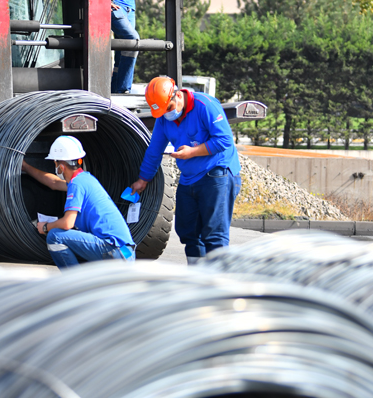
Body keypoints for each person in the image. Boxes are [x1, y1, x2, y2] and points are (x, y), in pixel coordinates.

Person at [129, 76, 241, 264]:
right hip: (190, 177)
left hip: (217, 172)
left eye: (169, 109)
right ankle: (197, 279)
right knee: (189, 233)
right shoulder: (164, 118)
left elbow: (224, 140)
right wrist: (143, 179)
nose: (167, 114)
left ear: (177, 95)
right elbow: (154, 150)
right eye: (163, 112)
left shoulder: (205, 106)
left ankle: (219, 285)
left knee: (214, 235)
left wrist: (193, 152)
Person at [21, 135, 135, 268]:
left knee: (54, 236)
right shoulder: (85, 179)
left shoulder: (76, 185)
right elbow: (54, 182)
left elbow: (67, 223)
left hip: (112, 250)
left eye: (55, 163)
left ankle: (74, 282)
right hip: (125, 253)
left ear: (61, 167)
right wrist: (26, 167)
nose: (55, 166)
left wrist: (46, 227)